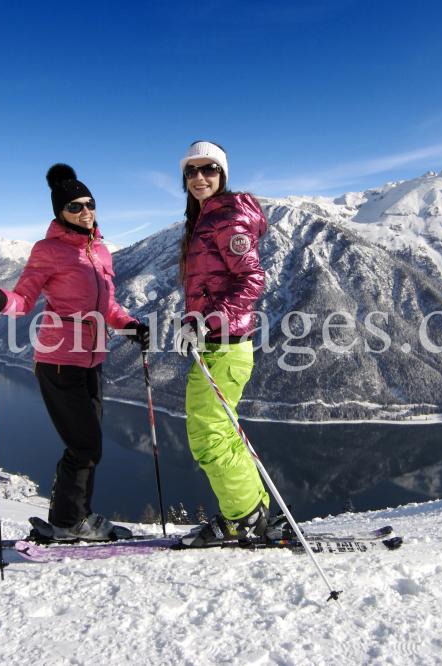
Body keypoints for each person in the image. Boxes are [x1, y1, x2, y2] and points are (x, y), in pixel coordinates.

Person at [0, 164, 149, 541]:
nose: (86, 211)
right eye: (75, 206)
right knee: (85, 445)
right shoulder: (48, 251)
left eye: (90, 203)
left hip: (94, 359)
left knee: (89, 445)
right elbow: (23, 300)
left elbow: (109, 307)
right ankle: (68, 522)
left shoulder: (100, 251)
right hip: (59, 360)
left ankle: (76, 516)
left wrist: (131, 326)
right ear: (60, 213)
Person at [174, 141, 271, 547]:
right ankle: (254, 510)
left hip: (225, 345)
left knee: (209, 435)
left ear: (223, 174)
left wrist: (206, 322)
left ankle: (242, 518)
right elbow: (210, 289)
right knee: (223, 433)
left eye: (208, 169)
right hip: (216, 343)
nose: (199, 177)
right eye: (191, 171)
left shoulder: (228, 218)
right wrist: (193, 320)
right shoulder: (204, 220)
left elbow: (252, 280)